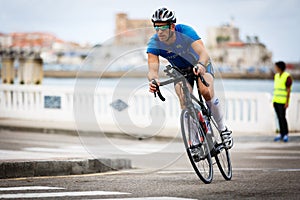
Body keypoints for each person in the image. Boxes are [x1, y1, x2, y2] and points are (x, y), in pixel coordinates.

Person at [146, 7, 233, 151]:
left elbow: (203, 53)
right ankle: (195, 143)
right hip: (181, 71)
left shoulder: (185, 32)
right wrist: (153, 81)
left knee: (206, 91)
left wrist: (200, 65)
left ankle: (223, 130)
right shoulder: (154, 43)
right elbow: (152, 70)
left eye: (163, 27)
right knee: (184, 99)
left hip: (200, 64)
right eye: (156, 27)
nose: (159, 32)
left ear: (172, 26)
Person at [273, 61, 293, 142]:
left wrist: (287, 102)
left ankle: (285, 134)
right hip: (276, 101)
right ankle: (281, 133)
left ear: (280, 67)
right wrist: (274, 101)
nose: (275, 68)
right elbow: (276, 89)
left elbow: (288, 90)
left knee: (283, 117)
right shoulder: (276, 76)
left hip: (283, 101)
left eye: (276, 67)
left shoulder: (287, 77)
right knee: (278, 118)